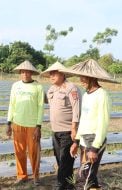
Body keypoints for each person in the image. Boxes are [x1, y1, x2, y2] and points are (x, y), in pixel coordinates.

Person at [67, 59, 119, 190]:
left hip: (94, 140)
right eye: (80, 76)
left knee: (82, 177)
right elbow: (83, 119)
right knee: (91, 178)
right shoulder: (86, 95)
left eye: (84, 77)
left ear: (93, 77)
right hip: (84, 140)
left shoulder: (102, 95)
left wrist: (94, 148)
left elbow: (103, 122)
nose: (81, 80)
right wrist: (76, 141)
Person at [41, 61, 81, 190]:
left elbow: (77, 110)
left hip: (68, 131)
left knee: (65, 161)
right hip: (55, 131)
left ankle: (60, 185)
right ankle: (69, 185)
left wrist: (74, 129)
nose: (51, 76)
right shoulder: (52, 89)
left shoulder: (71, 88)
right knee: (61, 160)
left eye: (54, 74)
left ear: (63, 74)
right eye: (50, 74)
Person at [6, 60, 44, 186]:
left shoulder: (38, 87)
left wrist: (38, 126)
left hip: (32, 125)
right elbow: (12, 104)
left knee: (34, 152)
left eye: (28, 72)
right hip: (17, 123)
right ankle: (22, 175)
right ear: (20, 73)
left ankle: (36, 177)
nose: (25, 74)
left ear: (31, 73)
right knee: (19, 151)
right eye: (23, 72)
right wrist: (8, 123)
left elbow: (40, 107)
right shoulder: (15, 86)